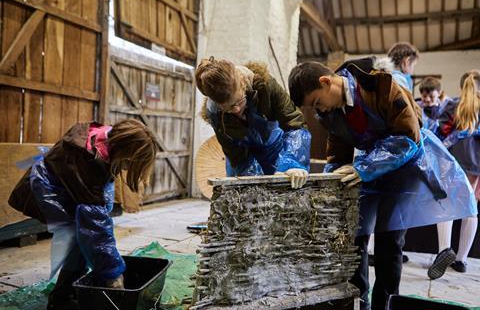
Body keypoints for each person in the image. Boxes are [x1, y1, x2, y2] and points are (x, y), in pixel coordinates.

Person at [288, 57, 477, 310]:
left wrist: (363, 168)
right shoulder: (330, 112)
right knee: (356, 235)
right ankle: (357, 300)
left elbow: (408, 137)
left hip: (405, 165)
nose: (318, 109)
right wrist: (332, 184)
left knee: (389, 240)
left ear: (326, 81)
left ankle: (385, 304)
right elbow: (338, 152)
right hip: (370, 167)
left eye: (316, 102)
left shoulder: (382, 86)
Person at [8, 119, 157, 309]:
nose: (127, 168)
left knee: (84, 239)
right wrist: (112, 273)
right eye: (129, 163)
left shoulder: (103, 138)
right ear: (124, 151)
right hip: (48, 192)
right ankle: (61, 299)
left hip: (59, 186)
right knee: (80, 241)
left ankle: (70, 291)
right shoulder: (88, 164)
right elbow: (96, 229)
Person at [195, 57, 311, 188]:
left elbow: (294, 122)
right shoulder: (215, 113)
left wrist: (292, 162)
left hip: (274, 147)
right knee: (247, 196)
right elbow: (236, 155)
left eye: (239, 101)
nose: (237, 109)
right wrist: (253, 182)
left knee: (287, 187)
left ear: (243, 83)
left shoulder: (266, 85)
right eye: (229, 108)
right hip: (243, 155)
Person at [428, 70, 480, 278]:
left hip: (453, 163)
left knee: (447, 206)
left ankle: (444, 250)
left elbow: (440, 133)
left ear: (461, 86)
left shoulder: (452, 106)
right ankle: (461, 260)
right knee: (471, 210)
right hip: (477, 166)